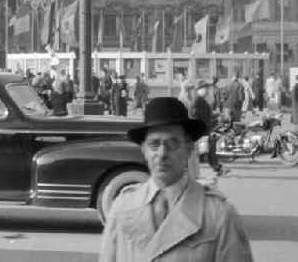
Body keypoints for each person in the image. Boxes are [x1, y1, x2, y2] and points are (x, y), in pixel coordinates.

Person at [100, 96, 253, 261]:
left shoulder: (218, 215)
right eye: (154, 144)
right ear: (144, 150)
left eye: (172, 144)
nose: (162, 154)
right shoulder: (123, 208)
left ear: (188, 149)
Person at [192, 80, 226, 177]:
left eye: (207, 88)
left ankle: (217, 168)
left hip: (206, 129)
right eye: (205, 88)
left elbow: (205, 115)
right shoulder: (197, 101)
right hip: (202, 130)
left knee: (210, 149)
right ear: (199, 89)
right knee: (207, 150)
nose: (206, 90)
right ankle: (216, 168)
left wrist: (215, 116)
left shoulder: (201, 100)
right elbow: (195, 116)